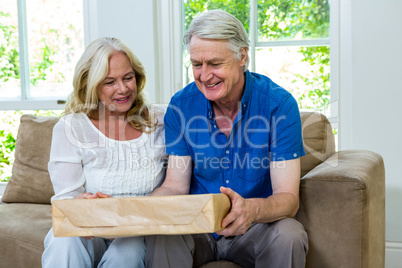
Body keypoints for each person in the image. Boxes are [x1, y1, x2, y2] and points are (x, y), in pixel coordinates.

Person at [145, 10, 308, 268]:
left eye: (215, 64)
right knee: (161, 235)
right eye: (197, 64)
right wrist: (139, 208)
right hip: (197, 228)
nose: (205, 75)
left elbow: (288, 197)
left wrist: (251, 210)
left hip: (254, 229)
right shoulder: (181, 106)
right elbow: (175, 186)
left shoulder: (279, 105)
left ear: (242, 56)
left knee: (289, 233)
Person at [42, 37, 167, 268]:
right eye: (110, 82)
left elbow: (176, 186)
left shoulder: (160, 120)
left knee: (127, 250)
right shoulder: (71, 128)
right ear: (91, 84)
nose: (123, 89)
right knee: (65, 240)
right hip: (92, 230)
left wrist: (125, 218)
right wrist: (79, 205)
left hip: (138, 231)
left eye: (128, 78)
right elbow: (65, 200)